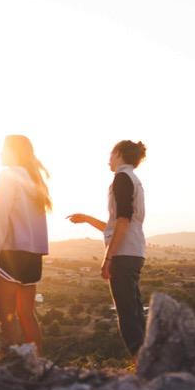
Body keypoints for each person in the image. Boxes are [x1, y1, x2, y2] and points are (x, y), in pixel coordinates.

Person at [67, 139, 147, 356]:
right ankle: (147, 361)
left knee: (127, 315)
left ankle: (142, 364)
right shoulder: (133, 179)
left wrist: (108, 257)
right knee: (135, 312)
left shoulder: (121, 178)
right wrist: (87, 219)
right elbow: (115, 225)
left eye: (111, 154)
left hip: (123, 253)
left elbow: (122, 220)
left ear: (119, 153)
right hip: (134, 251)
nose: (108, 160)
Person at [0, 135, 50, 354]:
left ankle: (12, 367)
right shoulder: (35, 180)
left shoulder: (8, 175)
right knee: (26, 315)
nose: (0, 153)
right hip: (33, 257)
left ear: (13, 151)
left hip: (10, 254)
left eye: (3, 149)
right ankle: (39, 364)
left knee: (7, 318)